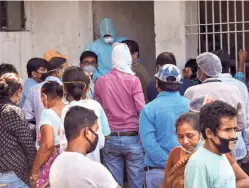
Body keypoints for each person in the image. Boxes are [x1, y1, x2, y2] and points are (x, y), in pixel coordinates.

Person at [161, 96, 249, 188]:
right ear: (209, 133)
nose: (233, 135)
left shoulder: (222, 155)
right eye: (227, 130)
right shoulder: (198, 164)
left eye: (235, 129)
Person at [95, 43, 145, 187]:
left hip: (110, 137)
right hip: (133, 137)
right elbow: (141, 109)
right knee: (136, 183)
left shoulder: (100, 81)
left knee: (114, 184)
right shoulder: (133, 80)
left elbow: (98, 108)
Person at [139, 64, 189, 188]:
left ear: (157, 84)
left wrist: (169, 163)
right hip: (186, 170)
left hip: (158, 171)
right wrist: (179, 164)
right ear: (179, 83)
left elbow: (149, 144)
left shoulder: (149, 109)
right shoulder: (190, 105)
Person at [50, 106, 119, 188]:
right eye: (96, 130)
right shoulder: (94, 170)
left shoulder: (56, 164)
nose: (97, 135)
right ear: (87, 132)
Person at [184, 52, 246, 132]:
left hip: (201, 141)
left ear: (202, 71)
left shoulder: (191, 92)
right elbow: (241, 124)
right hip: (228, 140)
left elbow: (187, 121)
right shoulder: (234, 90)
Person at [60, 66, 110, 162]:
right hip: (93, 162)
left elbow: (63, 140)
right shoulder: (96, 106)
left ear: (64, 88)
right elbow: (106, 136)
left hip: (70, 163)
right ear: (88, 86)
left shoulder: (66, 109)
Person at [213, 49, 249, 171]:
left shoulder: (207, 86)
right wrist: (247, 146)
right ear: (229, 65)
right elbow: (246, 119)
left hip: (213, 146)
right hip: (236, 144)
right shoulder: (240, 86)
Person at [0, 73, 36, 187]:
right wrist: (35, 166)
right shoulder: (13, 111)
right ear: (18, 91)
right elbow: (27, 142)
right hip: (12, 172)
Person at [30, 81, 65, 188]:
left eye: (41, 97)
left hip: (52, 164)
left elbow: (47, 145)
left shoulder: (47, 113)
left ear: (44, 96)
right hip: (68, 162)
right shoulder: (70, 109)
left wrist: (34, 170)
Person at [22, 57, 68, 135]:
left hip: (42, 137)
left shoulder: (33, 89)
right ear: (58, 71)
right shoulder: (66, 88)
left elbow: (27, 116)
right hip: (63, 137)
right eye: (66, 70)